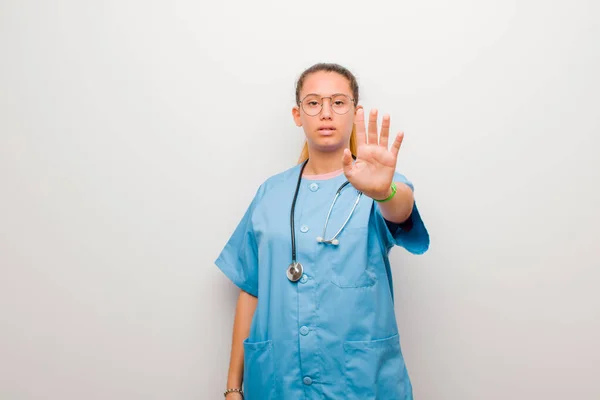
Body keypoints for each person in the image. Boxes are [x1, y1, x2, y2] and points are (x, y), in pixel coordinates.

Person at [215, 62, 430, 400]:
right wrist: (232, 387)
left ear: (354, 113)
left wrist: (382, 192)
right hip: (277, 381)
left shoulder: (378, 183)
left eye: (338, 102)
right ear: (298, 115)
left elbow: (400, 209)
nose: (326, 113)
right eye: (313, 103)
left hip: (359, 381)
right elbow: (250, 288)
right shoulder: (270, 193)